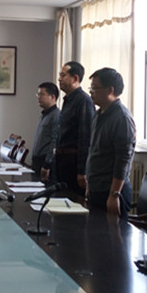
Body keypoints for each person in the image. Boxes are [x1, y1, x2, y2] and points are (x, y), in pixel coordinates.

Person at [86, 68, 136, 218]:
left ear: (110, 90)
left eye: (95, 88)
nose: (91, 92)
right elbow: (94, 151)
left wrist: (114, 194)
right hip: (96, 188)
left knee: (112, 233)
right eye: (90, 88)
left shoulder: (122, 118)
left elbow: (123, 160)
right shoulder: (98, 114)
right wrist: (89, 185)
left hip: (111, 191)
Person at [55, 61, 94, 196]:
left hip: (73, 163)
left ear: (75, 78)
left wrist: (82, 170)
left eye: (63, 75)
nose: (59, 79)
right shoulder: (67, 100)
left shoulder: (83, 101)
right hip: (62, 162)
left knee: (73, 201)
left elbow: (85, 138)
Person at [31, 82, 60, 182]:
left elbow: (54, 141)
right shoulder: (44, 114)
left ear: (52, 97)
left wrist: (47, 164)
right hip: (37, 161)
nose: (38, 97)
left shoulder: (56, 115)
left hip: (45, 163)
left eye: (42, 94)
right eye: (38, 94)